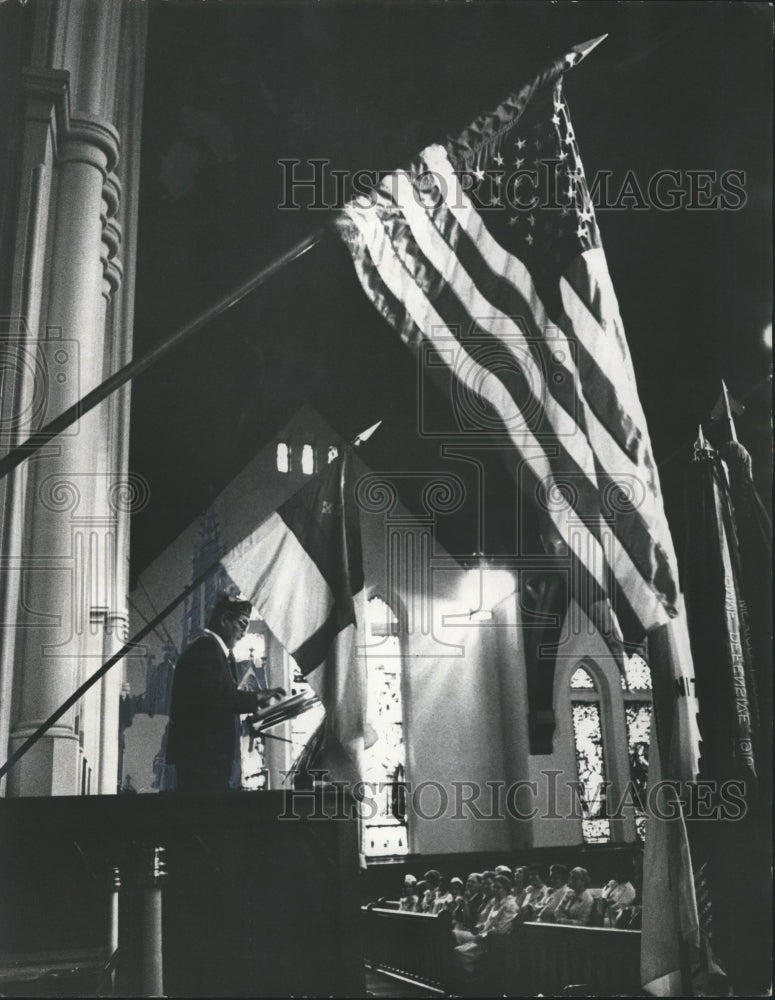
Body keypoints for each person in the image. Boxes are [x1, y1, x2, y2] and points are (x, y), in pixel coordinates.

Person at [167, 594, 285, 792]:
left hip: (205, 761)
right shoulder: (205, 651)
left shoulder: (209, 650)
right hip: (202, 762)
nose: (244, 633)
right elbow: (219, 698)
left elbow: (216, 700)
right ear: (224, 620)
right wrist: (257, 698)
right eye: (241, 624)